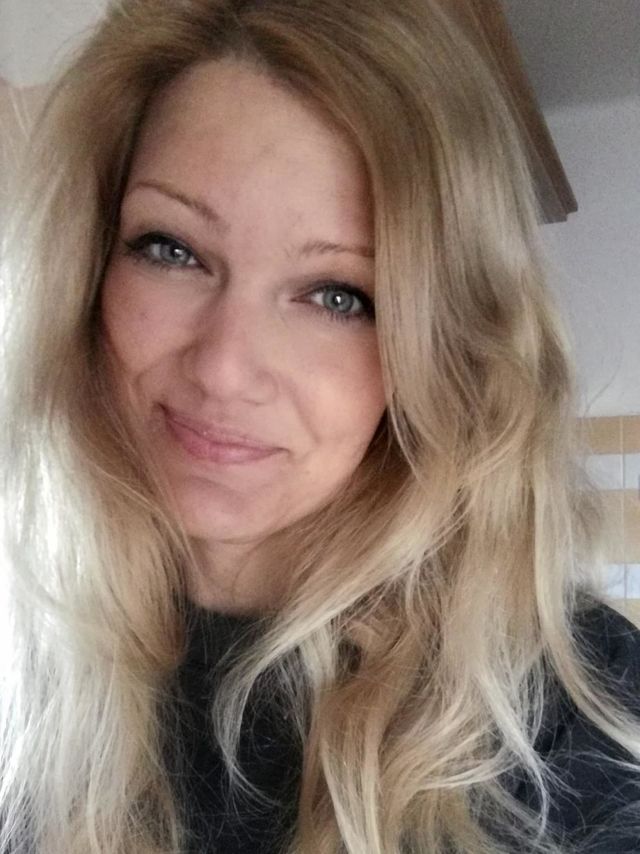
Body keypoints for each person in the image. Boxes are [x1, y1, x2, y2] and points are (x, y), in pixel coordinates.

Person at [1, 1, 639, 852]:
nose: (224, 368)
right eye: (171, 249)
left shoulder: (573, 713)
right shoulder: (23, 652)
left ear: (440, 350)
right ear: (86, 268)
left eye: (339, 296)